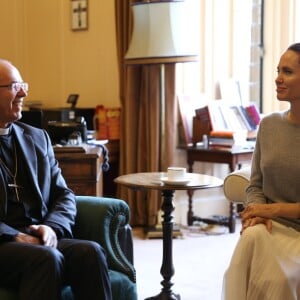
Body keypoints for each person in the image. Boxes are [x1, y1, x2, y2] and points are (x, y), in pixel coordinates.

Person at [0, 59, 112, 300]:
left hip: (39, 236)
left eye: (23, 84)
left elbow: (64, 194)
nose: (24, 92)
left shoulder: (37, 138)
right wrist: (13, 236)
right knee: (46, 259)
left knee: (90, 252)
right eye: (13, 86)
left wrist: (51, 228)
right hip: (3, 242)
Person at [222, 43, 300, 300]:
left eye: (287, 72)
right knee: (250, 238)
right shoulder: (268, 125)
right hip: (269, 225)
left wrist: (271, 209)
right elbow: (255, 184)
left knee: (279, 277)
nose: (277, 78)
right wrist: (256, 214)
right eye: (278, 70)